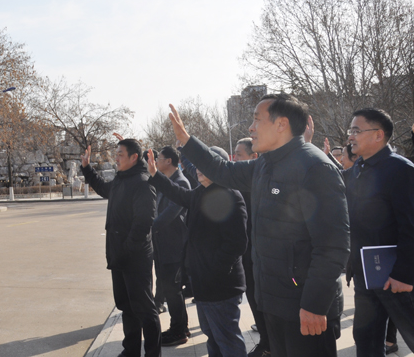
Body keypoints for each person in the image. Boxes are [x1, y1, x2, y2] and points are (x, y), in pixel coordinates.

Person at [167, 94, 350, 357]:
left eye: (256, 120)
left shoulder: (314, 167)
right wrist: (186, 140)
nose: (251, 128)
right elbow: (222, 170)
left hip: (304, 307)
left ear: (281, 124)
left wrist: (314, 304)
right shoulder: (265, 164)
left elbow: (333, 246)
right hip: (274, 302)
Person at [147, 146, 248, 357]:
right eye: (198, 164)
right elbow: (178, 193)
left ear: (219, 167)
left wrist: (212, 271)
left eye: (205, 164)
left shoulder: (229, 195)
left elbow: (236, 244)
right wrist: (155, 174)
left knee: (227, 339)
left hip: (220, 285)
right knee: (213, 338)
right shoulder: (201, 192)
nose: (198, 169)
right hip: (203, 283)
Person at [80, 139, 161, 357]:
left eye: (120, 154)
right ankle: (130, 351)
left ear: (134, 157)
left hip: (135, 258)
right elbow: (103, 189)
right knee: (127, 306)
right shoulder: (121, 179)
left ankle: (153, 353)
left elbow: (143, 223)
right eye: (115, 153)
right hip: (119, 256)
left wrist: (126, 250)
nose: (115, 157)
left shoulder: (143, 183)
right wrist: (87, 168)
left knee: (144, 309)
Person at [345, 108, 414, 357]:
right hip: (366, 276)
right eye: (350, 130)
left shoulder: (401, 169)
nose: (350, 136)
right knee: (366, 341)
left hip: (396, 278)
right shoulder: (358, 168)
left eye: (356, 130)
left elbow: (410, 226)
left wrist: (404, 275)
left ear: (378, 135)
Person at [233, 138, 270, 357]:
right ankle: (266, 342)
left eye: (239, 155)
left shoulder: (260, 184)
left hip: (260, 255)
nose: (235, 159)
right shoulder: (238, 183)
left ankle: (269, 345)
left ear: (253, 157)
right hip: (246, 254)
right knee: (254, 299)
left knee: (261, 300)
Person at [152, 146, 191, 346]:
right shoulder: (167, 181)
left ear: (169, 161)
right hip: (163, 243)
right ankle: (179, 327)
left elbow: (170, 213)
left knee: (173, 290)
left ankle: (179, 330)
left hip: (174, 245)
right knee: (169, 289)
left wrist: (149, 227)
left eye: (158, 158)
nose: (157, 161)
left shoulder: (180, 182)